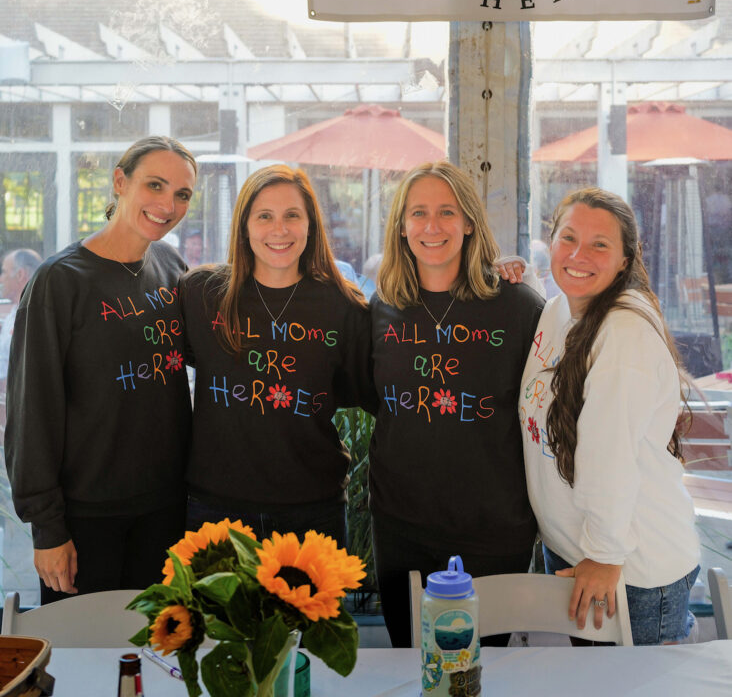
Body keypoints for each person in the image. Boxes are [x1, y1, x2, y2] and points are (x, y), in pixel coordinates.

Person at [6, 136, 197, 602]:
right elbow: (32, 410)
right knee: (82, 646)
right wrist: (47, 528)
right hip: (86, 518)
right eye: (155, 185)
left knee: (159, 642)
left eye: (182, 194)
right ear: (120, 181)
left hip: (166, 509)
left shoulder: (170, 265)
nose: (167, 205)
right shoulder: (59, 281)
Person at [368, 161, 545, 647]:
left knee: (485, 670)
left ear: (469, 222)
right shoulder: (382, 306)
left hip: (494, 530)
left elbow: (545, 412)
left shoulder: (519, 307)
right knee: (411, 662)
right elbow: (371, 397)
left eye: (447, 211)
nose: (432, 225)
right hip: (401, 528)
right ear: (401, 226)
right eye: (418, 212)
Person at [520, 187, 700, 645]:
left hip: (628, 570)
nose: (578, 254)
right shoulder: (559, 309)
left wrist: (602, 556)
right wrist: (519, 281)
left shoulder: (623, 335)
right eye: (568, 238)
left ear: (625, 259)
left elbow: (609, 457)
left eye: (599, 244)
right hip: (580, 552)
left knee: (621, 683)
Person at [179, 164, 372, 546]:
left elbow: (357, 390)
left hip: (313, 510)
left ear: (310, 225)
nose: (279, 230)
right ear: (244, 226)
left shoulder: (343, 306)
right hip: (216, 510)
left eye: (292, 216)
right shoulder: (201, 294)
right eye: (264, 216)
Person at [0, 249, 42, 380]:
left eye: (4, 272)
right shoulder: (14, 313)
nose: (1, 279)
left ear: (20, 275)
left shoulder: (34, 318)